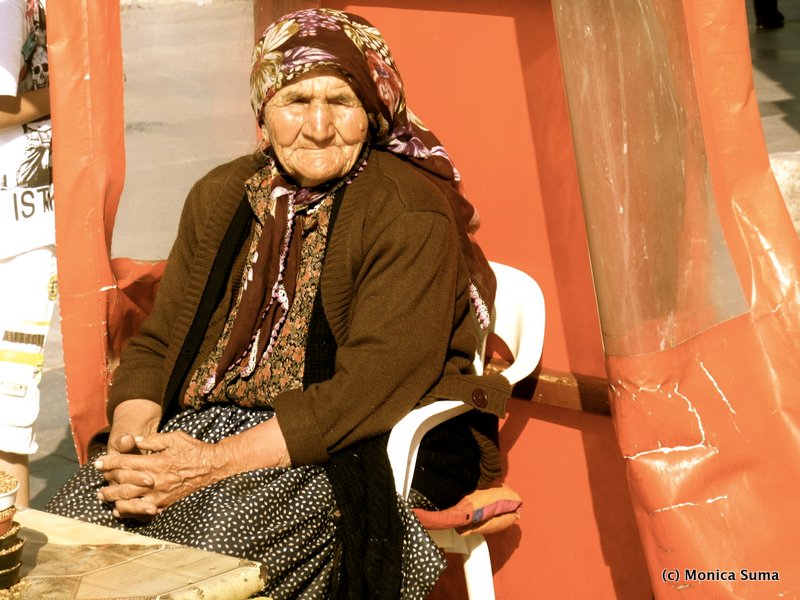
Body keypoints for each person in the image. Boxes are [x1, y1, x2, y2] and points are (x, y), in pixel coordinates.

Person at [46, 8, 509, 598]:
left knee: (206, 553)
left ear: (371, 109)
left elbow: (372, 387)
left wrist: (207, 466)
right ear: (263, 109)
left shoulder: (405, 211)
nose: (318, 126)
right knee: (70, 526)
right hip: (207, 431)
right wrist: (134, 443)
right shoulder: (220, 194)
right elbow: (162, 340)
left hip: (353, 440)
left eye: (339, 101)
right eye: (296, 101)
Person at [0, 0, 55, 508]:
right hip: (17, 229)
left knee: (13, 399)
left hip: (27, 220)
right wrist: (65, 92)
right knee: (11, 400)